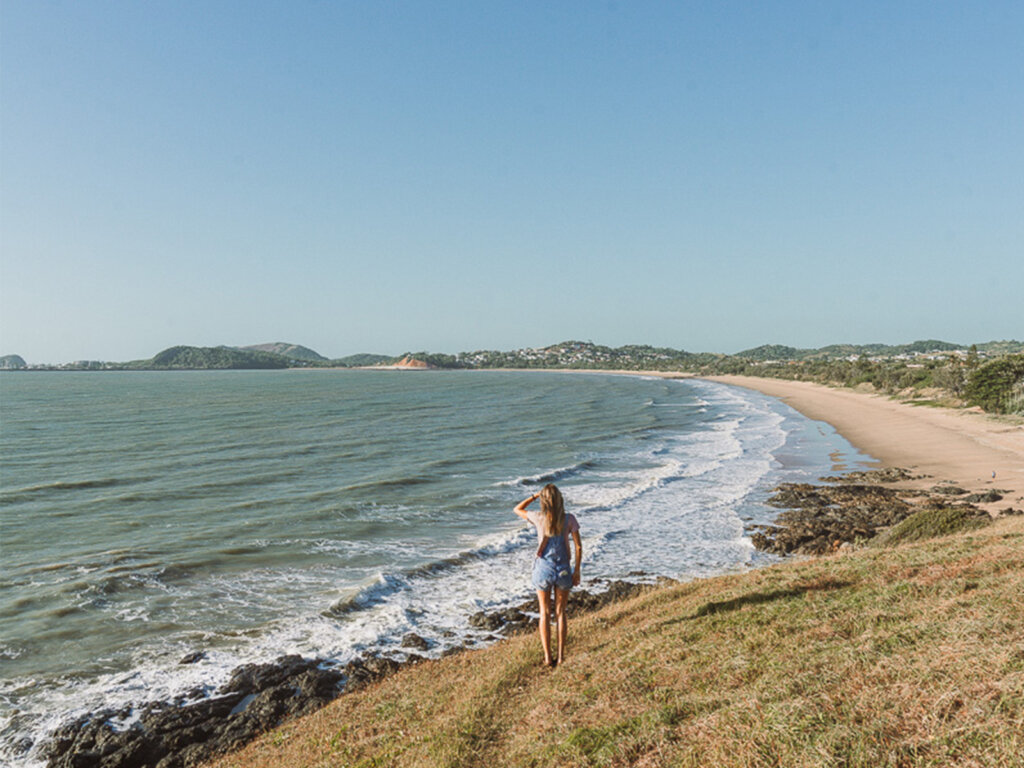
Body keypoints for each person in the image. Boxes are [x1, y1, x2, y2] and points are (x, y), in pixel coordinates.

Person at [513, 483, 582, 667]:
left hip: (543, 569)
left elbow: (517, 509)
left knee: (544, 613)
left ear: (544, 501)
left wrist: (535, 496)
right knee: (561, 613)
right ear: (560, 500)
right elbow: (578, 546)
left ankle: (547, 658)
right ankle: (560, 657)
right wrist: (577, 570)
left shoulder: (538, 517)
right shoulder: (569, 519)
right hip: (564, 570)